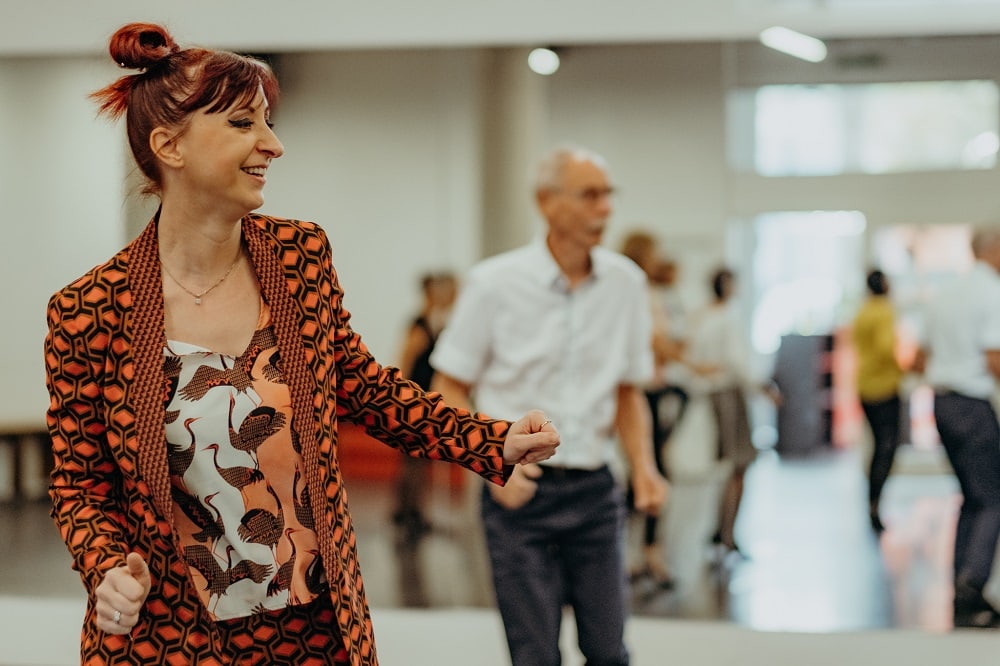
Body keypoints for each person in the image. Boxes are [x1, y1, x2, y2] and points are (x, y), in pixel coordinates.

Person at [42, 23, 559, 665]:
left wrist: (488, 440)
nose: (273, 145)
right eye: (242, 124)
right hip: (170, 637)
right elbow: (79, 483)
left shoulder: (297, 256)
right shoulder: (88, 310)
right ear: (168, 145)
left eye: (269, 122)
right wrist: (106, 569)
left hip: (312, 629)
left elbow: (365, 387)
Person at [430, 146, 669, 666]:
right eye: (590, 195)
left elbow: (628, 391)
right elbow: (448, 385)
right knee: (534, 655)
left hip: (595, 492)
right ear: (547, 202)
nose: (605, 208)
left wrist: (644, 468)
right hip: (518, 496)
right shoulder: (494, 283)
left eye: (609, 195)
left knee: (609, 652)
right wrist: (489, 462)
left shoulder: (626, 283)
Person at [914, 229, 1000, 629]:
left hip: (942, 402)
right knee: (992, 498)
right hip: (971, 400)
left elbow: (917, 357)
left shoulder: (946, 292)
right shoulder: (991, 291)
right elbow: (995, 358)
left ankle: (960, 582)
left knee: (972, 495)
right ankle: (971, 585)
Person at [619, 232, 685, 589]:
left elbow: (665, 340)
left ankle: (648, 547)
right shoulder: (628, 292)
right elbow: (653, 340)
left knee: (655, 470)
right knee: (642, 470)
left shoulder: (652, 294)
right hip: (639, 391)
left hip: (657, 388)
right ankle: (635, 549)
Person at [685, 268, 757, 559]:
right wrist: (762, 388)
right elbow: (737, 362)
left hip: (709, 394)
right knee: (737, 464)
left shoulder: (701, 318)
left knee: (725, 465)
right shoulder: (725, 318)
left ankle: (719, 531)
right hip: (727, 392)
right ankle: (727, 533)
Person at [391, 271, 458, 542]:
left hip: (427, 403)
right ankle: (407, 513)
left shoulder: (437, 324)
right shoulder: (419, 326)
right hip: (413, 404)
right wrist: (403, 402)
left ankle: (412, 512)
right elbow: (404, 363)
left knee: (418, 462)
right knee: (412, 462)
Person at [851, 269, 903, 534]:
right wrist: (902, 368)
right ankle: (874, 503)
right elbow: (886, 349)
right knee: (886, 447)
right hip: (884, 387)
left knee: (878, 447)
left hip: (864, 385)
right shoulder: (883, 311)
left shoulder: (864, 311)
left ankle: (872, 501)